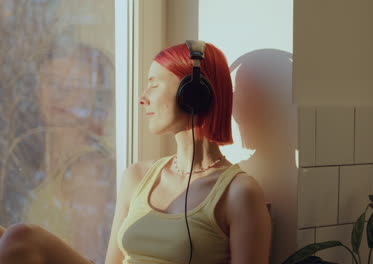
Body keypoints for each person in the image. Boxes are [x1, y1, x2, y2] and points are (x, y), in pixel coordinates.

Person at [0, 41, 272, 264]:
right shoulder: (138, 176)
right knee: (20, 237)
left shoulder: (239, 192)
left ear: (192, 94)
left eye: (154, 85)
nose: (143, 97)